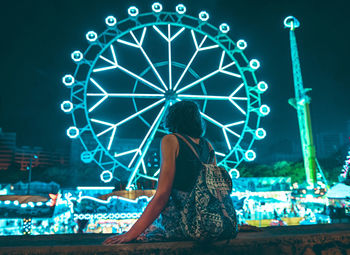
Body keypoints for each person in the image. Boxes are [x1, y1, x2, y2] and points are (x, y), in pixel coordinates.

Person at [103, 100, 215, 244]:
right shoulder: (208, 145)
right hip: (207, 224)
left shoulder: (171, 140)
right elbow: (214, 189)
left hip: (183, 224)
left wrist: (131, 233)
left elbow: (162, 195)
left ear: (171, 118)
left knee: (150, 233)